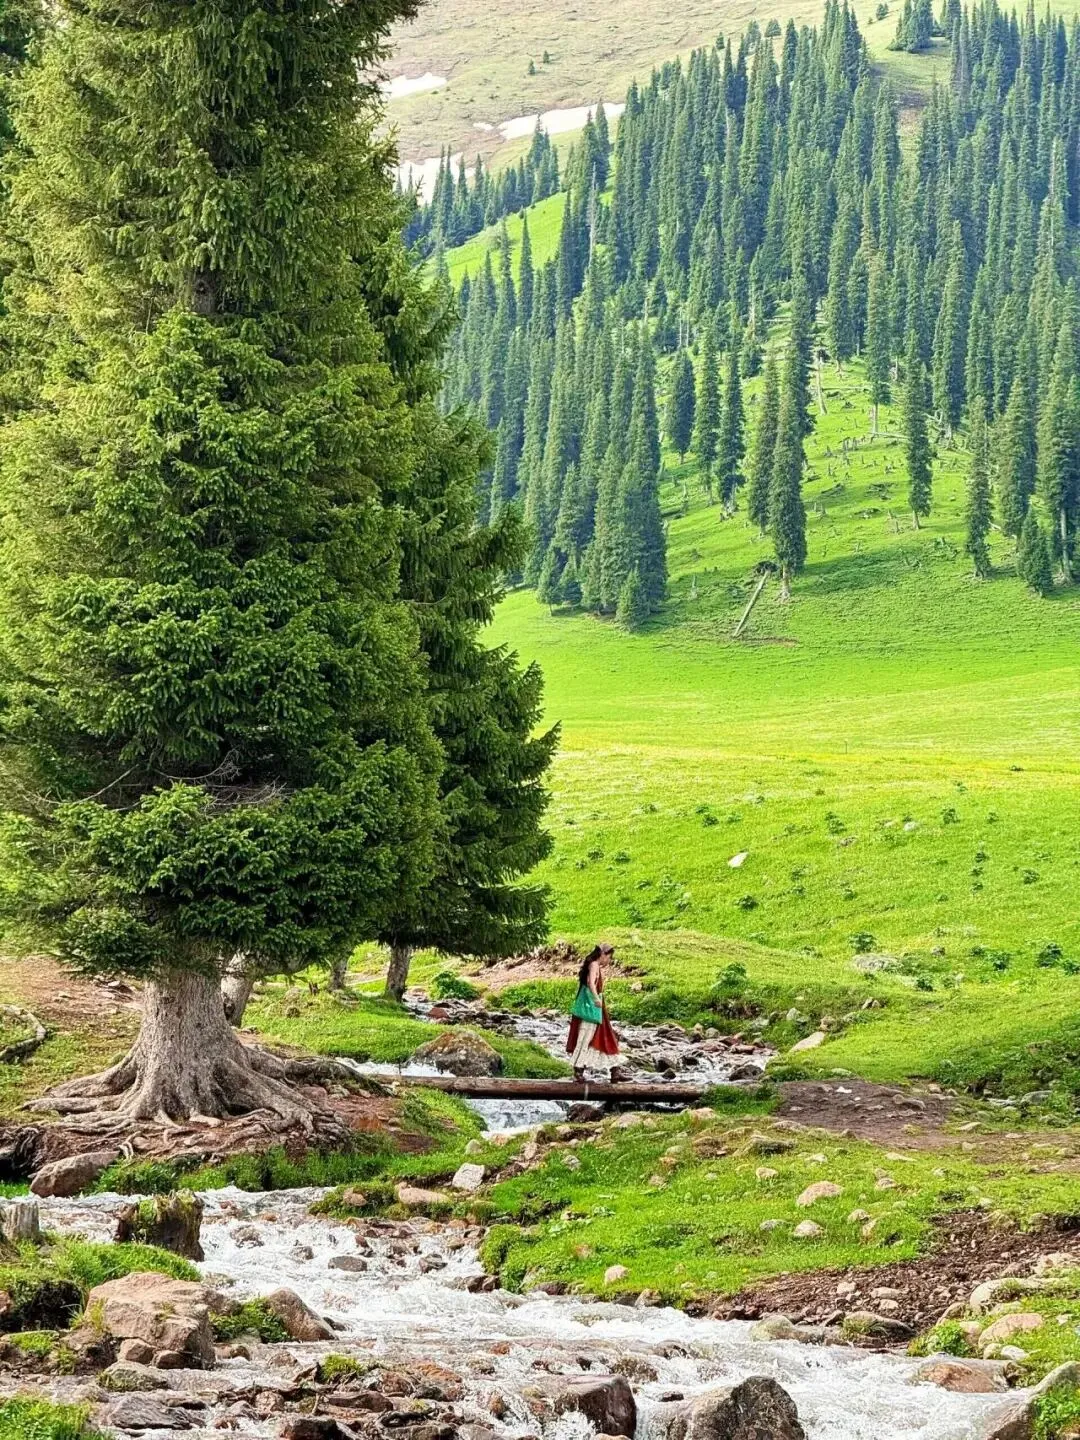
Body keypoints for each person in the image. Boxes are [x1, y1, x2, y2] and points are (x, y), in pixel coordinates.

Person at [566, 943, 630, 1082]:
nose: (609, 961)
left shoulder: (593, 964)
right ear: (603, 955)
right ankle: (579, 1071)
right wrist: (596, 998)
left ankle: (615, 1071)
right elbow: (591, 983)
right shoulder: (594, 965)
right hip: (592, 1007)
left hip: (594, 1007)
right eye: (609, 957)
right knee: (587, 1037)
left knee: (606, 1036)